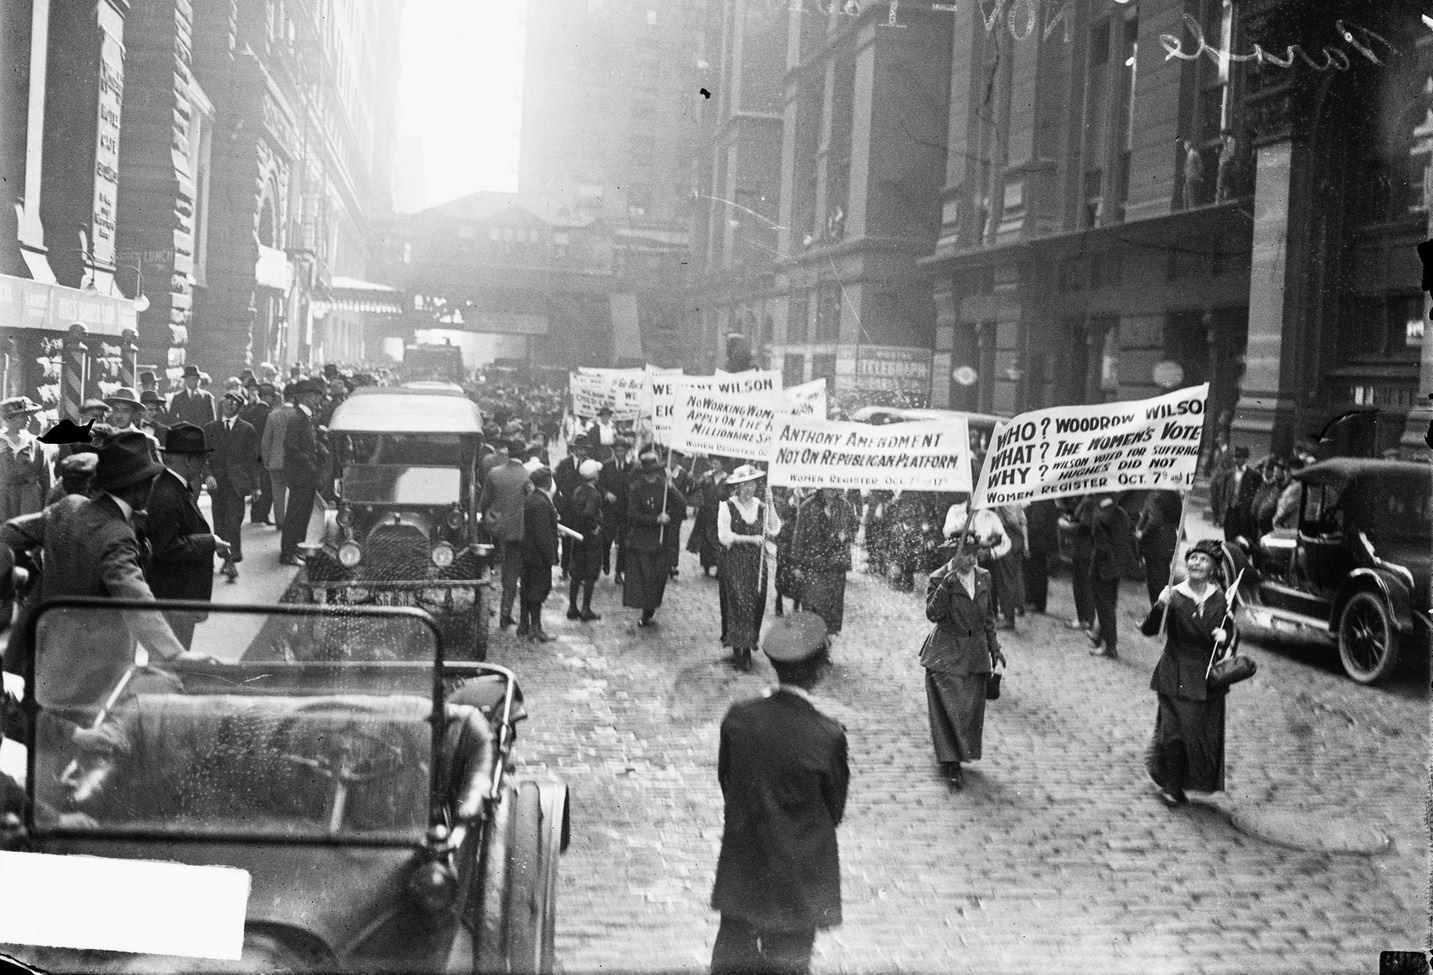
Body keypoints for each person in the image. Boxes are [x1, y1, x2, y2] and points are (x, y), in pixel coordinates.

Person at [0, 431, 193, 703]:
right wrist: (175, 654)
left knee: (44, 734)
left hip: (47, 659)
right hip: (96, 673)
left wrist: (23, 576)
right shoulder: (117, 534)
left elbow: (8, 533)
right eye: (152, 482)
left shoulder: (67, 507)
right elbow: (133, 595)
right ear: (140, 487)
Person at [709, 611, 847, 975]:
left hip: (745, 872)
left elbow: (728, 783)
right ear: (819, 669)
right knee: (790, 963)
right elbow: (835, 808)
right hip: (799, 884)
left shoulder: (738, 718)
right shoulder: (827, 735)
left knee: (731, 957)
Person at [1141, 540, 1232, 807]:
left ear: (1213, 568)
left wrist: (1225, 637)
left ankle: (1182, 781)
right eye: (1192, 558)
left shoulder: (1219, 599)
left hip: (1204, 678)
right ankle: (1171, 786)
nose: (1195, 563)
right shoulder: (1173, 595)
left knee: (1195, 735)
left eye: (1202, 560)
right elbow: (1149, 630)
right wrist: (1159, 606)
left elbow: (1228, 637)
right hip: (1174, 673)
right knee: (1173, 733)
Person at [921, 532, 1004, 791]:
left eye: (974, 553)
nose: (970, 559)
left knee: (969, 710)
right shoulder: (939, 577)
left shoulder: (984, 577)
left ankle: (959, 754)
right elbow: (932, 614)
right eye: (964, 553)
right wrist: (946, 586)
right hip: (946, 652)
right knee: (950, 709)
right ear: (953, 553)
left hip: (975, 652)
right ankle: (951, 762)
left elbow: (987, 616)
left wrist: (994, 648)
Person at [145, 424, 228, 648]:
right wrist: (210, 542)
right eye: (201, 458)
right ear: (187, 460)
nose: (204, 464)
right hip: (174, 595)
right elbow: (167, 547)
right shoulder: (168, 493)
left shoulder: (172, 487)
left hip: (175, 593)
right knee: (173, 657)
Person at [716, 464, 772, 671]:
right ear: (736, 488)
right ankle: (741, 648)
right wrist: (750, 539)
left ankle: (749, 642)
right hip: (735, 562)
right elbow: (724, 536)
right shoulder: (727, 506)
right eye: (745, 485)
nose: (750, 489)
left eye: (753, 484)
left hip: (757, 564)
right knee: (738, 602)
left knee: (756, 601)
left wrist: (771, 503)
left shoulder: (761, 506)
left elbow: (774, 528)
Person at [623, 446, 686, 628]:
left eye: (653, 473)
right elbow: (632, 515)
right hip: (642, 540)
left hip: (661, 541)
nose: (650, 477)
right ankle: (645, 611)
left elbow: (681, 505)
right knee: (645, 578)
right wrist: (655, 519)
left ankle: (651, 607)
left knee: (657, 578)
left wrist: (671, 486)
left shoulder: (664, 485)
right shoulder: (636, 488)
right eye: (647, 474)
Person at [203, 391, 258, 581]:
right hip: (217, 485)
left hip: (237, 484)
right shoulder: (210, 427)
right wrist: (208, 475)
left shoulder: (247, 429)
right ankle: (226, 558)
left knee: (233, 523)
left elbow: (252, 459)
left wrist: (256, 486)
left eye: (234, 402)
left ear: (240, 407)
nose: (229, 404)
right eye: (226, 400)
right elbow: (203, 456)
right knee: (219, 525)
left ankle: (232, 561)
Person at [479, 438, 532, 629]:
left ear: (508, 454)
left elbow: (485, 501)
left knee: (491, 569)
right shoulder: (527, 475)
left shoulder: (495, 473)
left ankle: (489, 607)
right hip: (517, 531)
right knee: (513, 574)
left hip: (495, 528)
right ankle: (506, 615)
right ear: (524, 455)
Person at [790, 487, 855, 639]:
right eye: (828, 487)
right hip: (813, 565)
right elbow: (799, 535)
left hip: (835, 566)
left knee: (832, 609)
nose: (832, 490)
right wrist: (796, 564)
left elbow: (853, 529)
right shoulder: (808, 506)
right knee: (812, 606)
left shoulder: (845, 506)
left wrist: (845, 535)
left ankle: (826, 647)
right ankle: (812, 647)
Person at [279, 379, 326, 566]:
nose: (317, 400)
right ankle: (288, 553)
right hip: (301, 476)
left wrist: (319, 446)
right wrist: (309, 461)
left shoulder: (307, 418)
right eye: (315, 396)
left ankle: (296, 549)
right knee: (296, 516)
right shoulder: (298, 418)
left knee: (302, 515)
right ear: (304, 397)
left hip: (305, 476)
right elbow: (290, 446)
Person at [1088, 493, 1138, 659]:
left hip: (1102, 568)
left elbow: (1101, 548)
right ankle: (1100, 636)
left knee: (1104, 607)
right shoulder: (1120, 513)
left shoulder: (1100, 515)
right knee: (1110, 603)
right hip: (1118, 567)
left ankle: (1109, 646)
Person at [518, 468, 560, 643]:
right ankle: (536, 628)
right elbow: (543, 534)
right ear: (548, 482)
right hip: (538, 556)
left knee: (527, 589)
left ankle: (524, 625)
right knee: (539, 591)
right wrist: (551, 556)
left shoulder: (531, 498)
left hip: (527, 552)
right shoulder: (542, 503)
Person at [565, 458, 605, 622]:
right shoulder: (594, 494)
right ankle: (586, 609)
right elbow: (589, 514)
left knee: (576, 573)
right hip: (590, 539)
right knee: (590, 574)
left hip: (577, 536)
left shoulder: (577, 490)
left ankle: (572, 607)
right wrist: (594, 527)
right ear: (595, 476)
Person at [0, 398, 49, 523]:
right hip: (4, 499)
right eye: (22, 416)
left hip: (29, 500)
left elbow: (46, 477)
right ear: (9, 418)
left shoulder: (35, 443)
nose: (28, 419)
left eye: (29, 415)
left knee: (27, 533)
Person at [1136, 490, 1184, 607]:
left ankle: (1157, 617)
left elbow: (1154, 520)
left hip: (1155, 542)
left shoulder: (1156, 494)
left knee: (1155, 582)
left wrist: (1142, 534)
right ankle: (1163, 616)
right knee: (1163, 578)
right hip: (1169, 538)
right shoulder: (1174, 494)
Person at [260, 383, 297, 530]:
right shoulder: (299, 415)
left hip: (275, 461)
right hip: (294, 462)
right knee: (294, 494)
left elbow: (265, 441)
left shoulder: (273, 415)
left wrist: (266, 460)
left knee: (278, 494)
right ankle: (292, 522)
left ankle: (280, 522)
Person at [598, 438, 633, 582]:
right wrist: (606, 493)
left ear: (626, 452)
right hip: (609, 510)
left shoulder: (632, 467)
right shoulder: (606, 466)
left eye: (622, 451)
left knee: (624, 542)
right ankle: (605, 560)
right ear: (614, 451)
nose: (620, 453)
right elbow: (599, 485)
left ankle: (619, 572)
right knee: (607, 538)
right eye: (617, 451)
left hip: (625, 510)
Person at [1059, 497, 1096, 633]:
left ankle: (1085, 619)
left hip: (1084, 549)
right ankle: (1085, 618)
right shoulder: (1088, 499)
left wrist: (1067, 526)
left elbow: (1086, 526)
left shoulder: (1089, 501)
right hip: (1084, 548)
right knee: (1082, 584)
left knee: (1082, 585)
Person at [687, 457, 727, 579]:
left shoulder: (728, 479)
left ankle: (720, 568)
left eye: (716, 463)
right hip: (705, 513)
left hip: (720, 513)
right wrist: (693, 480)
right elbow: (692, 490)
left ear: (722, 465)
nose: (713, 465)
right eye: (712, 463)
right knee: (705, 541)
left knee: (718, 541)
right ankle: (706, 566)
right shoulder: (707, 478)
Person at [241, 382, 274, 525]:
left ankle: (255, 514)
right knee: (267, 486)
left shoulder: (249, 412)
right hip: (265, 453)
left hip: (251, 453)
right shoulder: (270, 414)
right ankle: (263, 515)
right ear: (267, 397)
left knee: (256, 483)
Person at [1022, 498, 1060, 615]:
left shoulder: (1040, 499)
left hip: (1038, 541)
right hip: (1043, 540)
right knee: (1037, 571)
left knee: (1037, 571)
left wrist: (1028, 536)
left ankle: (1038, 603)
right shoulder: (1047, 498)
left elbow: (1037, 521)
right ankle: (1035, 601)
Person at [1221, 446, 1262, 544]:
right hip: (1231, 510)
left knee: (1243, 540)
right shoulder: (1229, 473)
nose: (1237, 460)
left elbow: (1256, 494)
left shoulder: (1253, 475)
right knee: (1229, 537)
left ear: (1245, 459)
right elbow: (1224, 493)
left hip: (1245, 513)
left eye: (1240, 458)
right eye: (1236, 457)